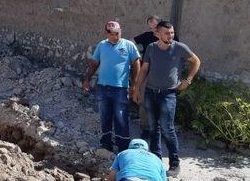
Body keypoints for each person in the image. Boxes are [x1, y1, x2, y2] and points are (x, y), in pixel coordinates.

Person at [133, 21, 201, 176]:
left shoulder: (179, 47)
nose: (170, 36)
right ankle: (156, 162)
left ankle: (174, 164)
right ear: (157, 33)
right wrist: (137, 88)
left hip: (168, 95)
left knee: (168, 129)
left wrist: (188, 80)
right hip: (150, 92)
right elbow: (144, 68)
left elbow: (196, 61)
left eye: (171, 33)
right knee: (153, 128)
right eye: (167, 33)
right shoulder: (151, 48)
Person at [84, 21, 141, 152]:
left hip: (120, 89)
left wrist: (134, 85)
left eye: (118, 33)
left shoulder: (128, 45)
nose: (116, 36)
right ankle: (106, 144)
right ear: (107, 33)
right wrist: (86, 79)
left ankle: (123, 146)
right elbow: (94, 64)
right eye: (113, 34)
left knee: (121, 117)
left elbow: (136, 63)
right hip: (103, 88)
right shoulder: (102, 45)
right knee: (105, 116)